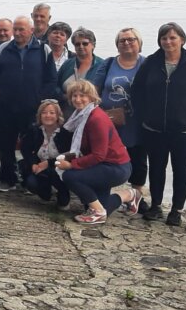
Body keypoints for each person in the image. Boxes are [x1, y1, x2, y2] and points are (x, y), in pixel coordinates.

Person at [131, 22, 186, 226]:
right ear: (159, 41)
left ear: (182, 40)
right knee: (157, 167)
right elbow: (137, 91)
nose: (168, 41)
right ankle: (156, 205)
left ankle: (176, 210)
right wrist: (145, 115)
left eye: (172, 38)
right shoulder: (150, 63)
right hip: (154, 128)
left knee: (182, 169)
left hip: (185, 130)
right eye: (164, 38)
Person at [0, 15, 59, 191]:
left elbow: (51, 79)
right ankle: (7, 179)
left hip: (32, 108)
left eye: (21, 29)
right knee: (6, 144)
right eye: (16, 29)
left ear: (31, 30)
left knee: (30, 144)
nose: (18, 33)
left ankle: (28, 179)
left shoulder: (43, 50)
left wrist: (40, 99)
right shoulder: (3, 49)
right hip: (6, 107)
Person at [55, 80, 139, 225]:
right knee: (99, 204)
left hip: (115, 167)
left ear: (92, 97)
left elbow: (98, 155)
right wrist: (69, 155)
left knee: (70, 176)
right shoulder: (81, 115)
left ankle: (98, 213)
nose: (78, 99)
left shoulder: (96, 119)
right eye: (74, 96)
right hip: (103, 165)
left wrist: (71, 165)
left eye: (83, 96)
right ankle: (129, 195)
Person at [89, 28, 147, 211]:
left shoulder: (146, 64)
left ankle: (137, 195)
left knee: (138, 157)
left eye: (131, 39)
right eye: (122, 40)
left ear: (139, 43)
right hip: (110, 120)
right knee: (108, 156)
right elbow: (94, 89)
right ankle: (104, 191)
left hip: (137, 120)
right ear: (117, 45)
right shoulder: (108, 63)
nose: (127, 43)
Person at [19, 100, 72, 208]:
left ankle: (63, 193)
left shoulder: (65, 133)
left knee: (63, 203)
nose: (48, 116)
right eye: (44, 112)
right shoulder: (35, 130)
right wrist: (33, 163)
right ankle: (46, 193)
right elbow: (26, 149)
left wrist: (49, 163)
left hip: (59, 167)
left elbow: (70, 154)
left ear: (58, 115)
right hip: (40, 166)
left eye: (52, 113)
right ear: (40, 115)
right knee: (31, 183)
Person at [58, 27, 104, 106]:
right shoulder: (67, 64)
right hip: (67, 110)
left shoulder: (102, 65)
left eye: (85, 43)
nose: (81, 46)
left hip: (92, 110)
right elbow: (55, 85)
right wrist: (65, 96)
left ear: (93, 45)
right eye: (77, 44)